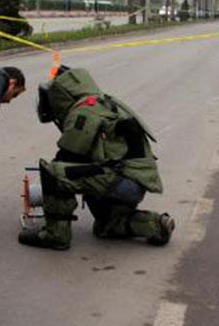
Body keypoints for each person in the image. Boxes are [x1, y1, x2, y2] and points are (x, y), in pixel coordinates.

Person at [18, 66, 174, 250]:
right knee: (105, 225)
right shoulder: (105, 102)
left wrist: (46, 192)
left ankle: (55, 236)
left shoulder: (85, 110)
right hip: (137, 180)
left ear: (61, 97)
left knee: (53, 172)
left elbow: (65, 158)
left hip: (123, 179)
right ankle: (157, 225)